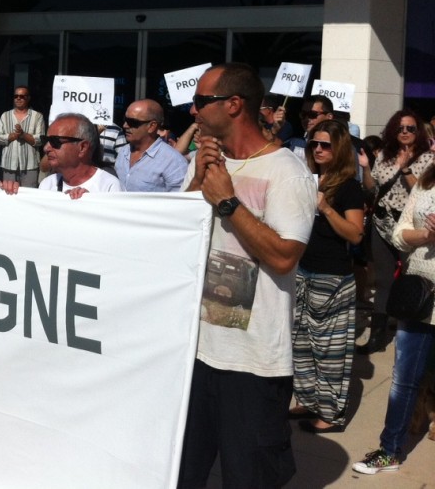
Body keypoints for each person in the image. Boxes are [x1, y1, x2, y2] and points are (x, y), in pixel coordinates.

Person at [177, 63, 315, 489]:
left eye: (201, 102)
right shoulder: (204, 161)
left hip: (251, 364)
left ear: (234, 105)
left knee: (247, 478)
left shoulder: (286, 171)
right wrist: (196, 183)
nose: (193, 111)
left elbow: (284, 256)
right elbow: (180, 237)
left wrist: (228, 203)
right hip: (194, 352)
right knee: (181, 474)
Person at [352, 166, 435, 474]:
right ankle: (390, 450)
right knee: (403, 379)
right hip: (419, 298)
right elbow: (399, 236)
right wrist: (426, 234)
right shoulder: (426, 182)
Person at [290, 120, 365, 434]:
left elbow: (356, 234)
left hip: (332, 277)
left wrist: (326, 208)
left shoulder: (349, 186)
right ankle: (308, 400)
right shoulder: (308, 178)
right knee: (301, 344)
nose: (318, 150)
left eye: (325, 145)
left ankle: (331, 414)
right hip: (302, 271)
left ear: (339, 148)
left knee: (329, 349)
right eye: (314, 144)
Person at [358, 109, 434, 355]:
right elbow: (373, 187)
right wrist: (367, 168)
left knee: (409, 281)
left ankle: (407, 330)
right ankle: (377, 336)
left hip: (409, 229)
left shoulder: (427, 159)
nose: (405, 132)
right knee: (383, 280)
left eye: (410, 128)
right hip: (382, 224)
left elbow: (421, 192)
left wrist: (405, 170)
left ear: (418, 131)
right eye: (400, 128)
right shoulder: (385, 155)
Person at [1, 112, 120, 196]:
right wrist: (11, 194)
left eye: (55, 142)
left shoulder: (109, 186)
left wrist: (91, 205)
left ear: (82, 147)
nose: (46, 148)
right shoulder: (47, 184)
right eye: (45, 140)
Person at [114, 99, 188, 192]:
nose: (125, 125)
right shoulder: (123, 151)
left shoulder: (173, 161)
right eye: (125, 120)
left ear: (152, 126)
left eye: (132, 122)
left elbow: (180, 201)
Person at [0, 85, 45, 188]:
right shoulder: (5, 116)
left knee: (29, 196)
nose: (18, 98)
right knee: (9, 195)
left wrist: (23, 135)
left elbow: (40, 139)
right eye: (16, 96)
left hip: (30, 166)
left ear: (28, 98)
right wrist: (12, 136)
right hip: (9, 164)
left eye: (22, 96)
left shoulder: (37, 116)